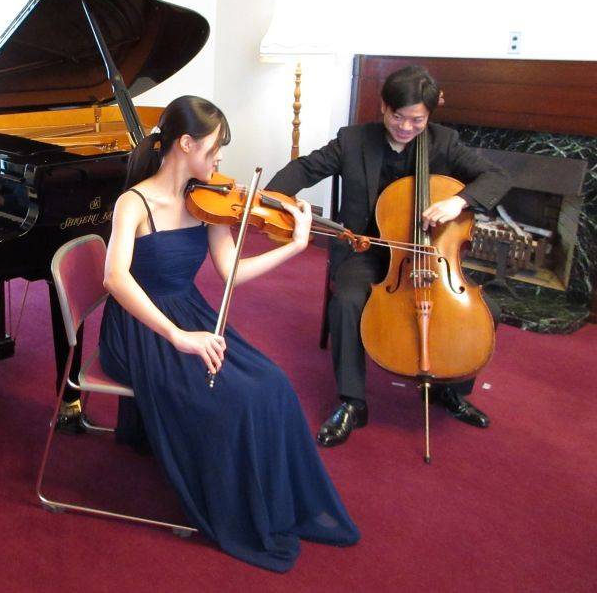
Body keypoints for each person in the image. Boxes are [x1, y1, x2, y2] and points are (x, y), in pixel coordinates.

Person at [98, 95, 359, 572]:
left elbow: (231, 271)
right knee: (235, 399)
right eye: (214, 149)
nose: (219, 160)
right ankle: (238, 506)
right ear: (184, 143)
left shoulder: (206, 200)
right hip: (140, 326)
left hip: (188, 312)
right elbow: (115, 279)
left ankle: (281, 504)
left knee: (273, 382)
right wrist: (178, 336)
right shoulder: (132, 203)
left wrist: (298, 245)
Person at [266, 65, 511, 447]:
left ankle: (450, 388)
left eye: (417, 120)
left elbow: (496, 177)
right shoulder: (353, 140)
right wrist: (272, 201)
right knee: (346, 301)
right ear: (383, 107)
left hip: (428, 256)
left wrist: (458, 201)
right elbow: (305, 167)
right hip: (367, 248)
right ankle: (352, 402)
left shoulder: (445, 143)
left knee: (487, 313)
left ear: (429, 116)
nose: (406, 127)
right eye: (398, 116)